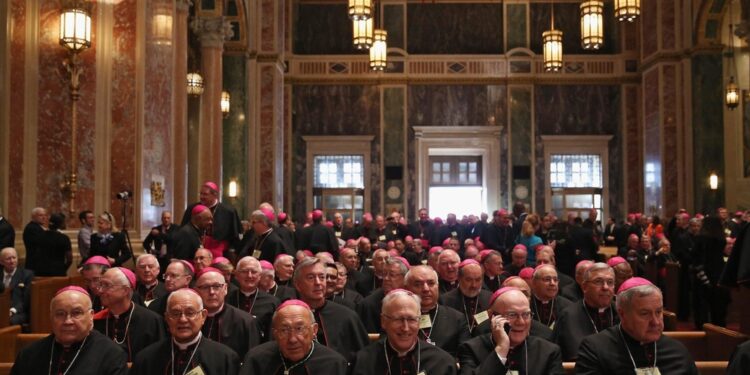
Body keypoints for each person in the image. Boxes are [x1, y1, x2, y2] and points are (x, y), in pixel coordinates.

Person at [575, 277, 698, 374]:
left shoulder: (677, 350)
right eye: (645, 314)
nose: (655, 322)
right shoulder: (595, 349)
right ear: (622, 314)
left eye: (658, 312)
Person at [10, 286, 128, 375]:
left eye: (76, 313)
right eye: (60, 314)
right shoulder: (29, 354)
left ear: (91, 316)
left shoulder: (111, 355)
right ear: (51, 317)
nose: (68, 321)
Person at [131, 288, 239, 375]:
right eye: (175, 313)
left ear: (203, 316)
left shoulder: (225, 358)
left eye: (190, 313)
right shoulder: (145, 358)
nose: (182, 319)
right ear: (167, 318)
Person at [458, 287, 564, 375]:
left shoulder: (549, 352)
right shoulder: (470, 349)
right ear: (492, 317)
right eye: (512, 315)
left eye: (526, 314)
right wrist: (501, 348)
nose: (521, 322)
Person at [351, 289, 457, 375]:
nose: (405, 328)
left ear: (419, 321)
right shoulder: (362, 361)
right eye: (398, 319)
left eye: (411, 319)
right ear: (384, 321)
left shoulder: (442, 362)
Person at [239, 299, 349, 375]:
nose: (292, 339)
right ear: (275, 334)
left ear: (314, 330)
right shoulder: (256, 358)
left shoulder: (334, 363)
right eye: (284, 330)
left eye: (299, 329)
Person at [293, 257, 369, 361]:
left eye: (322, 277)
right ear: (297, 284)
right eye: (311, 277)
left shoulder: (347, 316)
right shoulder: (287, 315)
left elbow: (363, 359)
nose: (318, 282)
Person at [93, 267, 163, 361]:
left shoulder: (151, 321)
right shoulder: (96, 321)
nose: (100, 291)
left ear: (125, 290)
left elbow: (158, 359)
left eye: (107, 285)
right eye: (100, 285)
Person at [553, 263, 619, 361]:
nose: (605, 287)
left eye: (610, 282)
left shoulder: (622, 313)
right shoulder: (568, 316)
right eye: (598, 281)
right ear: (584, 287)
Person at [194, 267, 261, 359]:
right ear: (196, 291)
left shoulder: (245, 322)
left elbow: (252, 360)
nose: (212, 292)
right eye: (205, 287)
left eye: (217, 286)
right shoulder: (190, 320)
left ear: (225, 289)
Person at [404, 265, 470, 357]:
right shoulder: (398, 319)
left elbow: (466, 356)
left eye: (431, 283)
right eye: (418, 284)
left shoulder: (457, 318)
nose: (426, 289)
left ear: (437, 286)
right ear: (407, 288)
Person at [181, 181, 242, 259]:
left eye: (205, 194)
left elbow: (235, 234)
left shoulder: (228, 211)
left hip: (221, 254)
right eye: (201, 194)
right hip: (195, 252)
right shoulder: (192, 208)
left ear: (215, 195)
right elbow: (185, 229)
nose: (202, 197)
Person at [227, 256, 280, 338]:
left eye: (254, 272)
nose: (249, 275)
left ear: (259, 276)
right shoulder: (226, 299)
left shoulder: (272, 302)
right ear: (236, 275)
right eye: (244, 271)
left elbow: (272, 334)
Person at [358, 257, 409, 333]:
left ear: (405, 278)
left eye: (392, 275)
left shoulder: (412, 298)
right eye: (384, 274)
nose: (386, 278)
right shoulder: (368, 305)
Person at [441, 259, 493, 334]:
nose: (474, 285)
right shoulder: (445, 300)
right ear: (459, 278)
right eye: (468, 280)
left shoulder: (490, 297)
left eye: (478, 280)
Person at [529, 264, 572, 329]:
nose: (552, 283)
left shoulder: (567, 306)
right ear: (534, 282)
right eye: (547, 279)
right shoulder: (526, 303)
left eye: (555, 280)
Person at [1, 247, 34, 325]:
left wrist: (12, 311)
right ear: (1, 262)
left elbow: (25, 300)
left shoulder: (27, 275)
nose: (12, 261)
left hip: (18, 312)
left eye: (14, 258)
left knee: (9, 321)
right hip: (2, 310)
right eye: (8, 259)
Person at [22, 207, 49, 273]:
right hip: (35, 265)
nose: (44, 217)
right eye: (41, 215)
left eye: (45, 215)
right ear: (33, 216)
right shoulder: (32, 228)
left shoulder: (38, 227)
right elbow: (42, 244)